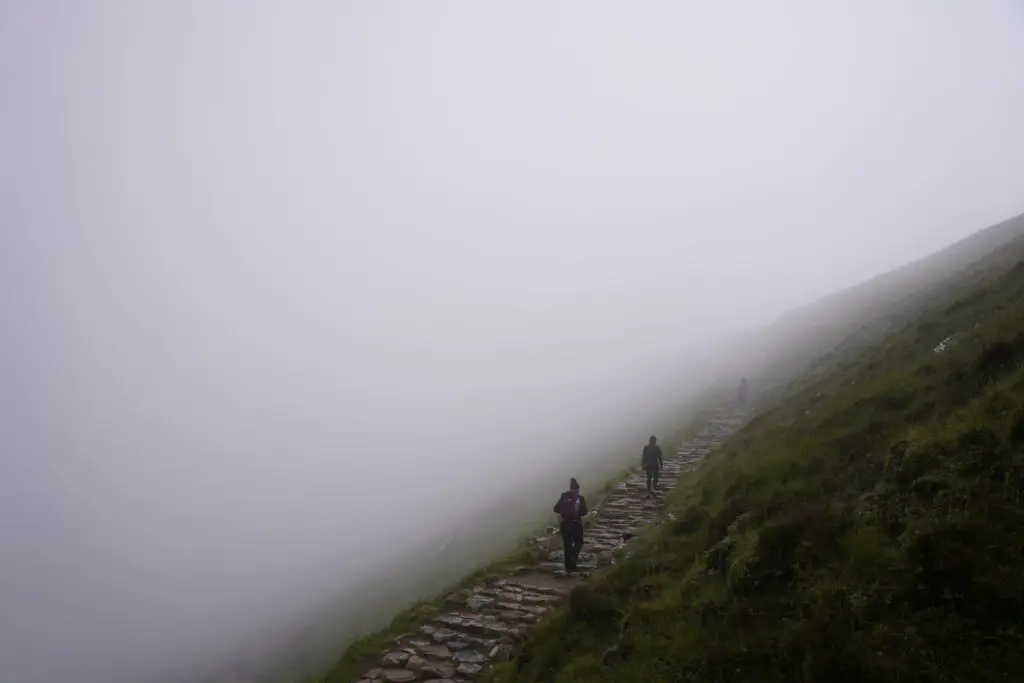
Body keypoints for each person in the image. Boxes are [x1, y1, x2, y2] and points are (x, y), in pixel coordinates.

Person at [553, 477, 589, 574]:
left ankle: (567, 568)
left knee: (567, 545)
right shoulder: (580, 498)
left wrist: (563, 511)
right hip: (576, 523)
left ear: (570, 488)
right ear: (578, 489)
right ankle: (573, 560)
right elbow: (584, 512)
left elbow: (555, 509)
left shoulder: (564, 496)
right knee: (579, 541)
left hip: (564, 524)